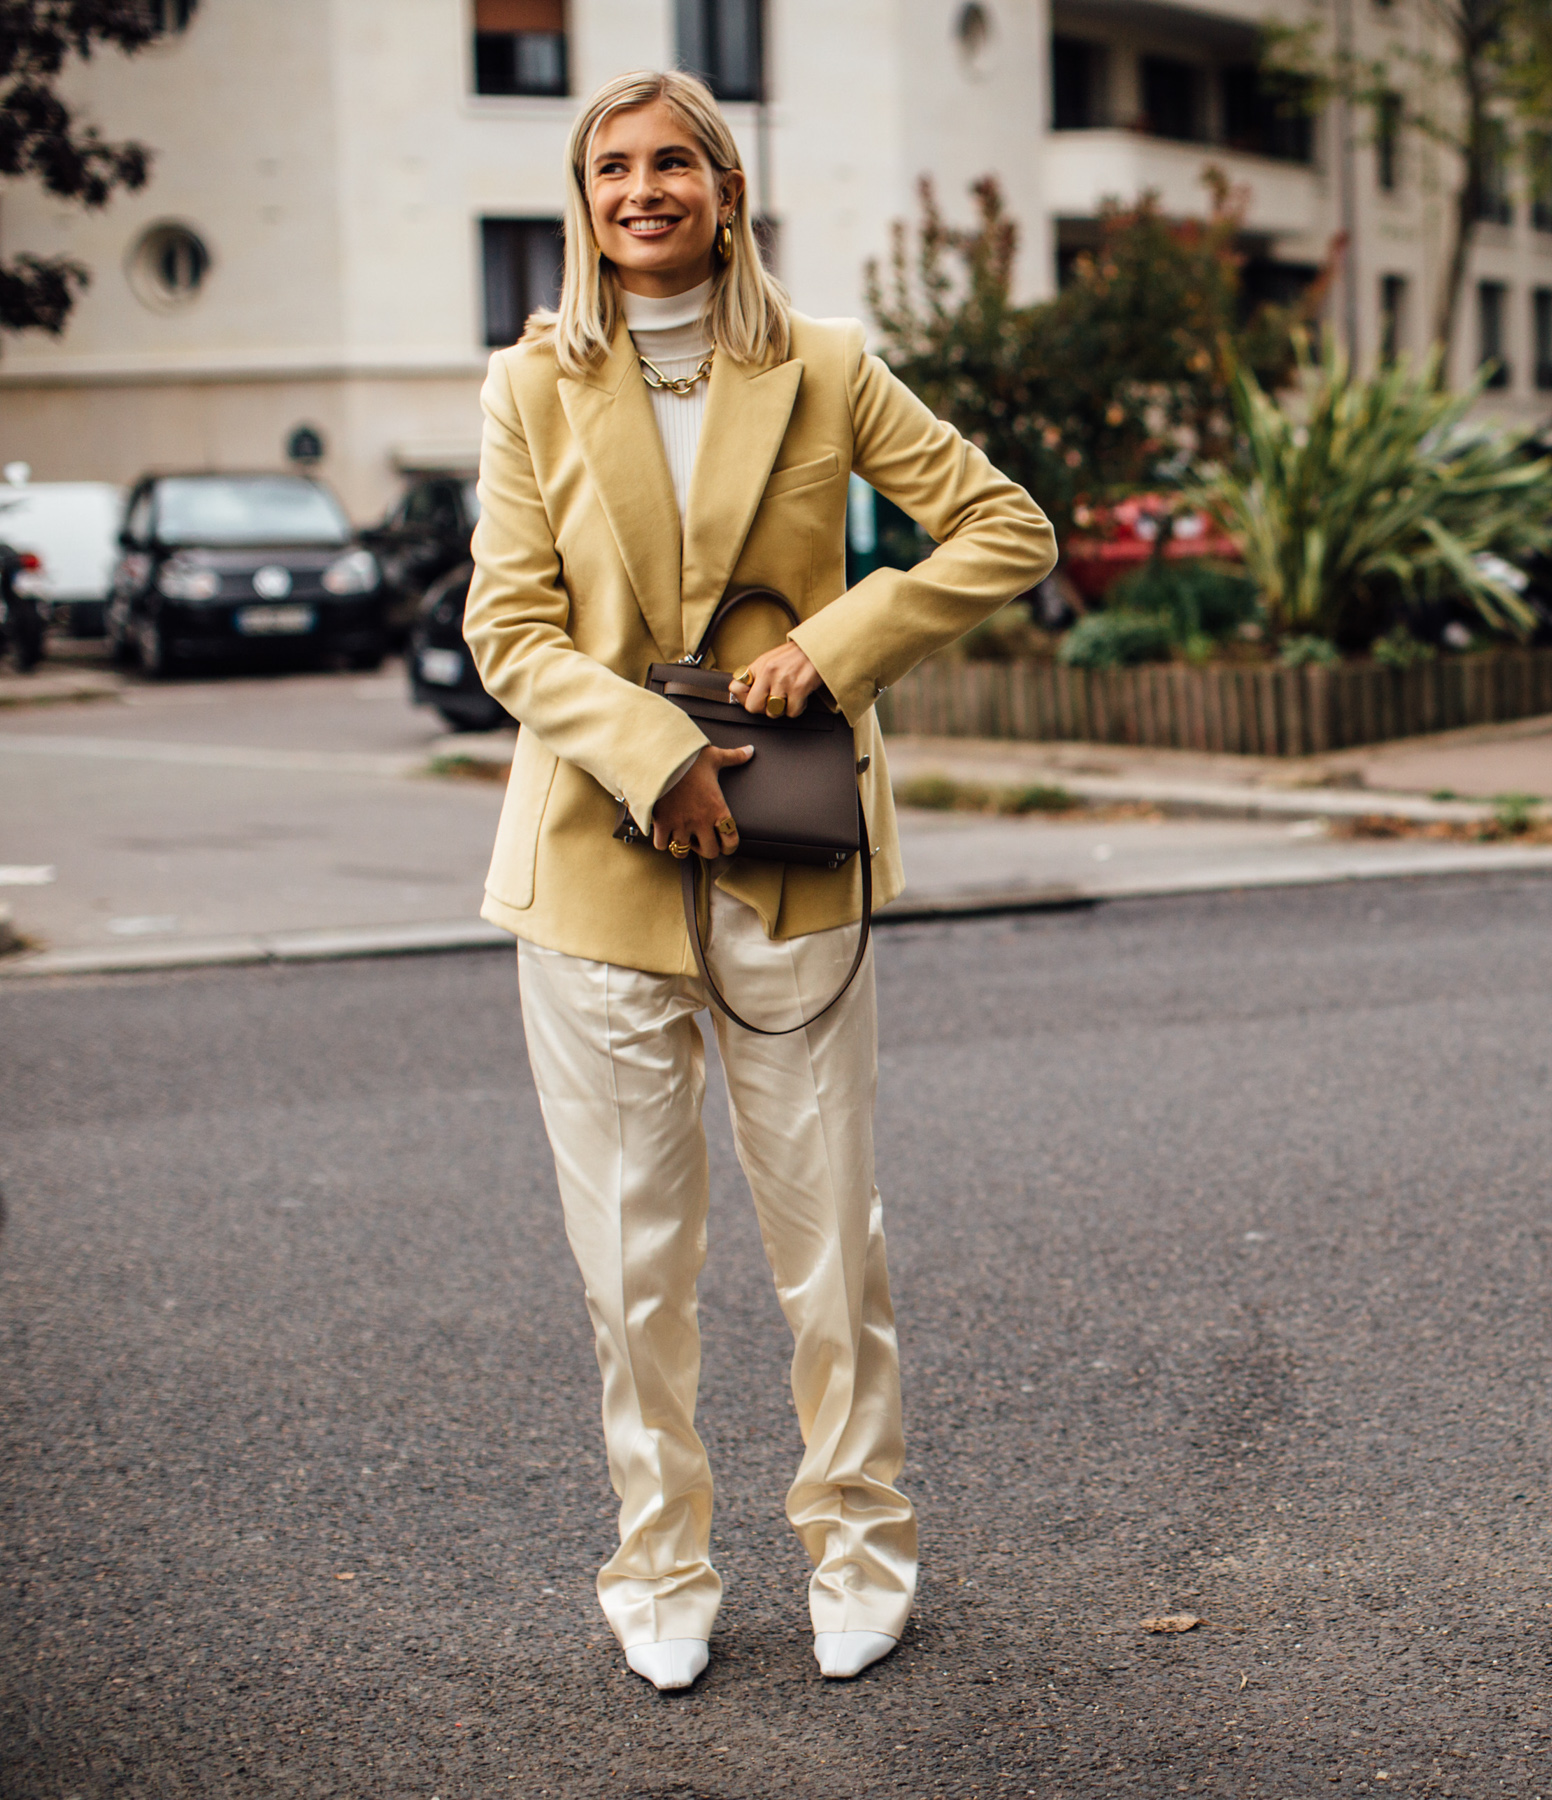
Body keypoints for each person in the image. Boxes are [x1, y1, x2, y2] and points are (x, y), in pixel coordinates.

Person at [464, 69, 1054, 1692]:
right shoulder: (529, 385)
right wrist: (651, 750)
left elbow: (1005, 530)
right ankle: (658, 1561)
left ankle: (861, 1544)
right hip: (596, 866)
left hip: (790, 864)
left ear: (725, 187)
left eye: (672, 163)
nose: (640, 190)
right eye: (610, 169)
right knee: (632, 1262)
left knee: (827, 1247)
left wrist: (837, 642)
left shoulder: (827, 368)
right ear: (584, 202)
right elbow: (506, 629)